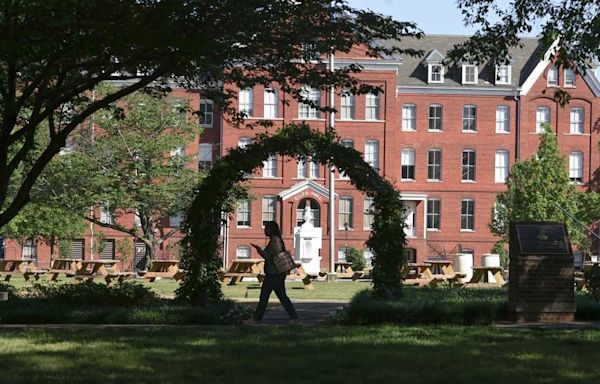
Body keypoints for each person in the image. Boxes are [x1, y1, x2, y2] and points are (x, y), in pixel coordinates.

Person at [250, 221, 299, 323]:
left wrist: (260, 251)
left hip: (274, 274)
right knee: (282, 297)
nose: (265, 230)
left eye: (267, 228)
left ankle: (256, 319)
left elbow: (273, 257)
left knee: (264, 297)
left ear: (272, 230)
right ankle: (294, 317)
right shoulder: (274, 240)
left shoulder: (275, 240)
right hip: (275, 274)